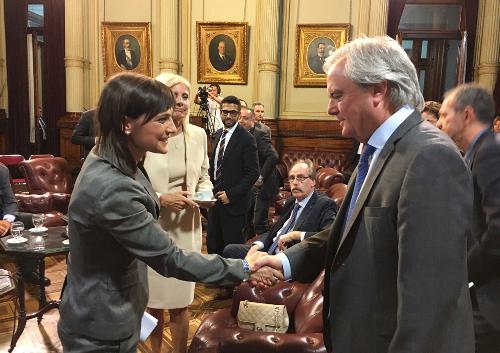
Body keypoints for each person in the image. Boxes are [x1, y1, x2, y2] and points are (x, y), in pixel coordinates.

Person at [252, 36, 474, 353]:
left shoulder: (429, 157)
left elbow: (432, 300)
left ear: (378, 91)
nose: (330, 108)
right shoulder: (375, 149)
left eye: (338, 95)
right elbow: (349, 233)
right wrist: (285, 261)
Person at [57, 72, 280, 352]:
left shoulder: (114, 154)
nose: (172, 128)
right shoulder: (113, 187)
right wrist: (245, 267)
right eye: (161, 119)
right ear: (127, 124)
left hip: (110, 312)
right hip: (100, 329)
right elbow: (170, 258)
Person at [142, 73, 212, 353]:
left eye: (186, 96)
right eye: (175, 95)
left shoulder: (199, 134)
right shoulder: (147, 132)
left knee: (183, 304)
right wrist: (161, 198)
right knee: (155, 305)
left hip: (188, 227)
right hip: (153, 226)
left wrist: (205, 193)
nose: (181, 102)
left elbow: (205, 174)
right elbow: (134, 182)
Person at [436, 84, 500, 353]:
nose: (438, 124)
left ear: (467, 115)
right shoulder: (477, 152)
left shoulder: (491, 153)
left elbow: (498, 231)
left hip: (490, 301)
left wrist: (462, 274)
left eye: (443, 115)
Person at [224, 159, 336, 259]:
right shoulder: (291, 202)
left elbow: (331, 235)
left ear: (313, 181)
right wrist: (257, 245)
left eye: (301, 178)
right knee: (230, 250)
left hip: (287, 258)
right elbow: (273, 232)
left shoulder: (324, 204)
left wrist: (297, 235)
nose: (295, 183)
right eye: (292, 178)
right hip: (268, 251)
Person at [207, 96, 259, 256]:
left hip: (234, 203)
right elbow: (214, 165)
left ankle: (231, 280)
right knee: (213, 242)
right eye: (225, 112)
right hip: (215, 200)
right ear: (220, 112)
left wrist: (231, 194)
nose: (228, 116)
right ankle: (214, 277)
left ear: (238, 114)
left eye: (233, 113)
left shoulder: (246, 139)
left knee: (231, 248)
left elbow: (253, 173)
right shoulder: (217, 134)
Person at [0, 164, 50, 285]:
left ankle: (27, 272)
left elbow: (11, 202)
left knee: (31, 221)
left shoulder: (1, 170)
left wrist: (7, 221)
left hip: (2, 218)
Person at [237, 108, 279, 237]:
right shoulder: (238, 134)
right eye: (239, 117)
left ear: (253, 120)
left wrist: (260, 177)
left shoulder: (259, 134)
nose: (241, 121)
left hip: (264, 183)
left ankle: (265, 247)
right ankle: (246, 250)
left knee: (258, 222)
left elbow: (273, 156)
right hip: (248, 185)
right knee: (246, 221)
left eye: (245, 118)